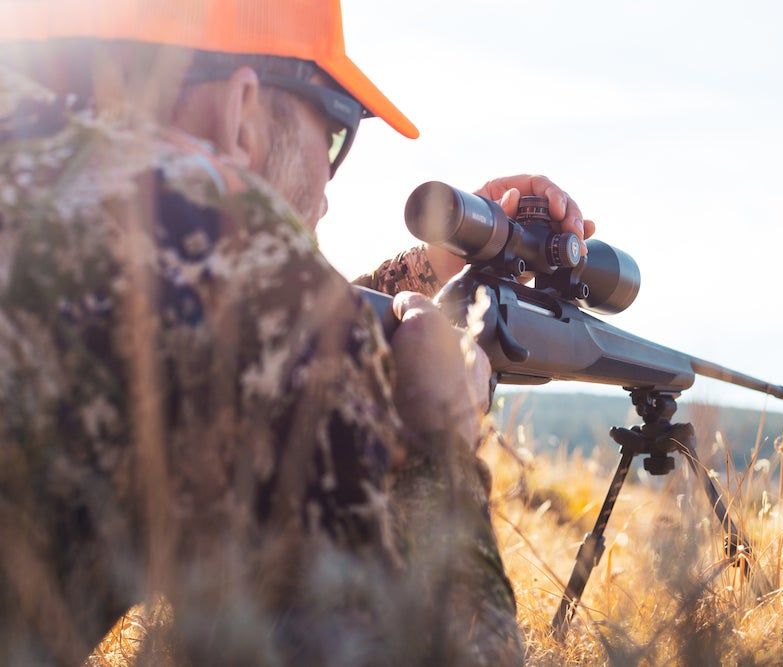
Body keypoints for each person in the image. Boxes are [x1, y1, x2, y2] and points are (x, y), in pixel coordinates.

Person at [0, 2, 595, 664]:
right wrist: (440, 450)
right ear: (241, 112)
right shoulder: (247, 270)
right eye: (337, 135)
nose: (328, 194)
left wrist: (435, 263)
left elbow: (234, 302)